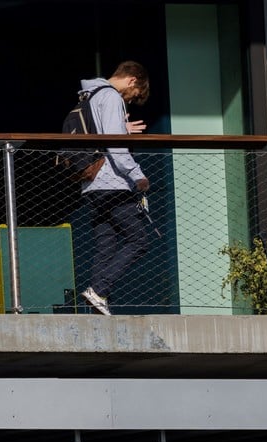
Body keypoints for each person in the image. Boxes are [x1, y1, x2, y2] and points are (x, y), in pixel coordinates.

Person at [78, 60, 151, 316]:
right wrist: (137, 175)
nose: (131, 100)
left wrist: (123, 129)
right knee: (138, 240)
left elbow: (104, 133)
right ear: (132, 80)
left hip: (91, 184)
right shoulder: (110, 97)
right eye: (135, 95)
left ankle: (97, 303)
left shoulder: (90, 96)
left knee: (106, 244)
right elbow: (115, 146)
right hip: (112, 183)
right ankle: (99, 290)